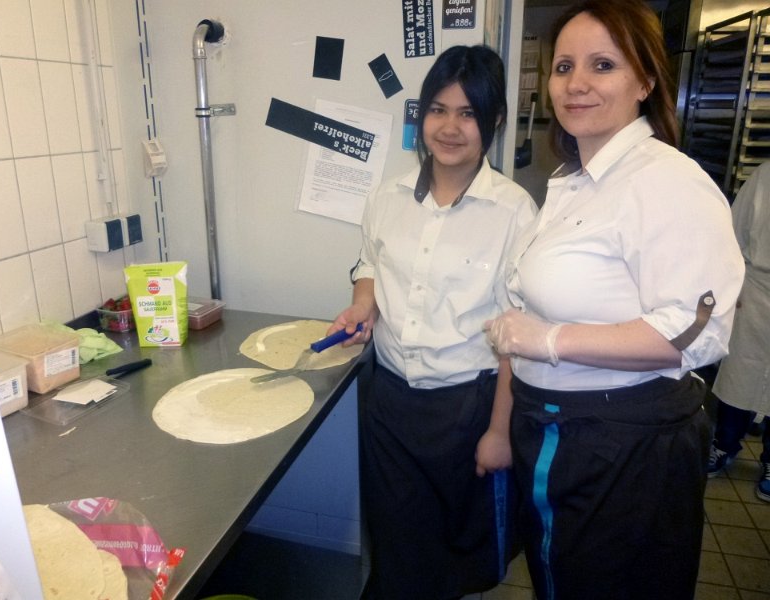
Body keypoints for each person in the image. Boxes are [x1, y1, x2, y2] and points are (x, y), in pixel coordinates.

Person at [484, 1, 745, 599]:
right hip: (560, 432)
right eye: (564, 66)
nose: (576, 83)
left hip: (621, 450)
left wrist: (547, 340)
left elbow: (696, 332)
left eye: (602, 65)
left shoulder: (664, 180)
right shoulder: (572, 181)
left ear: (645, 81)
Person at [328, 45, 536, 599]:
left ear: (492, 122)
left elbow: (517, 332)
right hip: (391, 404)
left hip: (467, 409)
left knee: (455, 557)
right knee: (397, 549)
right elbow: (370, 261)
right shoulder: (386, 196)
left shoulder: (515, 212)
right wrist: (362, 302)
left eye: (468, 114)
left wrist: (498, 431)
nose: (449, 127)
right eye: (438, 109)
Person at [708, 161, 770, 502]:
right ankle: (724, 445)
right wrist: (735, 289)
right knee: (739, 375)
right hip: (757, 290)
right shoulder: (764, 176)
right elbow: (732, 235)